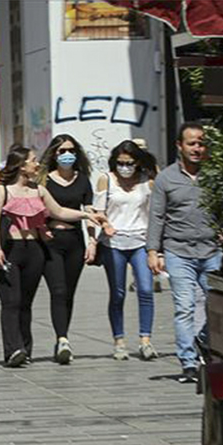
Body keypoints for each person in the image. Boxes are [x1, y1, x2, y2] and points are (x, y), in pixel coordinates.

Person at [0, 146, 110, 368]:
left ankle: (25, 350)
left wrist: (87, 215)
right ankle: (13, 349)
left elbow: (59, 212)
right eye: (33, 161)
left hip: (34, 250)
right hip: (9, 248)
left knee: (25, 302)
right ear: (22, 165)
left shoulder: (39, 191)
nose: (38, 164)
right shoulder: (1, 190)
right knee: (11, 301)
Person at [148, 122, 219, 384]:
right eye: (191, 143)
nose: (197, 148)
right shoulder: (166, 178)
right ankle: (188, 362)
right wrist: (153, 251)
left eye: (201, 143)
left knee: (217, 307)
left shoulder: (215, 175)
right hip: (179, 251)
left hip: (212, 250)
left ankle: (206, 344)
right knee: (184, 307)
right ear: (179, 146)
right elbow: (156, 216)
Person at [95, 140, 158, 361]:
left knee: (146, 290)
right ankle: (119, 341)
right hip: (114, 243)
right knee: (118, 293)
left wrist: (156, 247)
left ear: (137, 162)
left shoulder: (147, 182)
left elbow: (155, 213)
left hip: (140, 241)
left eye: (129, 162)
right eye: (120, 163)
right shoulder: (107, 180)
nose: (124, 167)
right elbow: (98, 211)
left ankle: (145, 340)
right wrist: (105, 225)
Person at [40, 134, 96, 364]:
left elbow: (90, 212)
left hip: (75, 240)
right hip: (51, 240)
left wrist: (93, 241)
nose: (66, 154)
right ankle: (63, 339)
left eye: (70, 150)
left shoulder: (82, 180)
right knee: (59, 290)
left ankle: (62, 335)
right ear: (54, 154)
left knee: (69, 293)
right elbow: (35, 208)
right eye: (61, 151)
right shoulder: (44, 180)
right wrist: (42, 229)